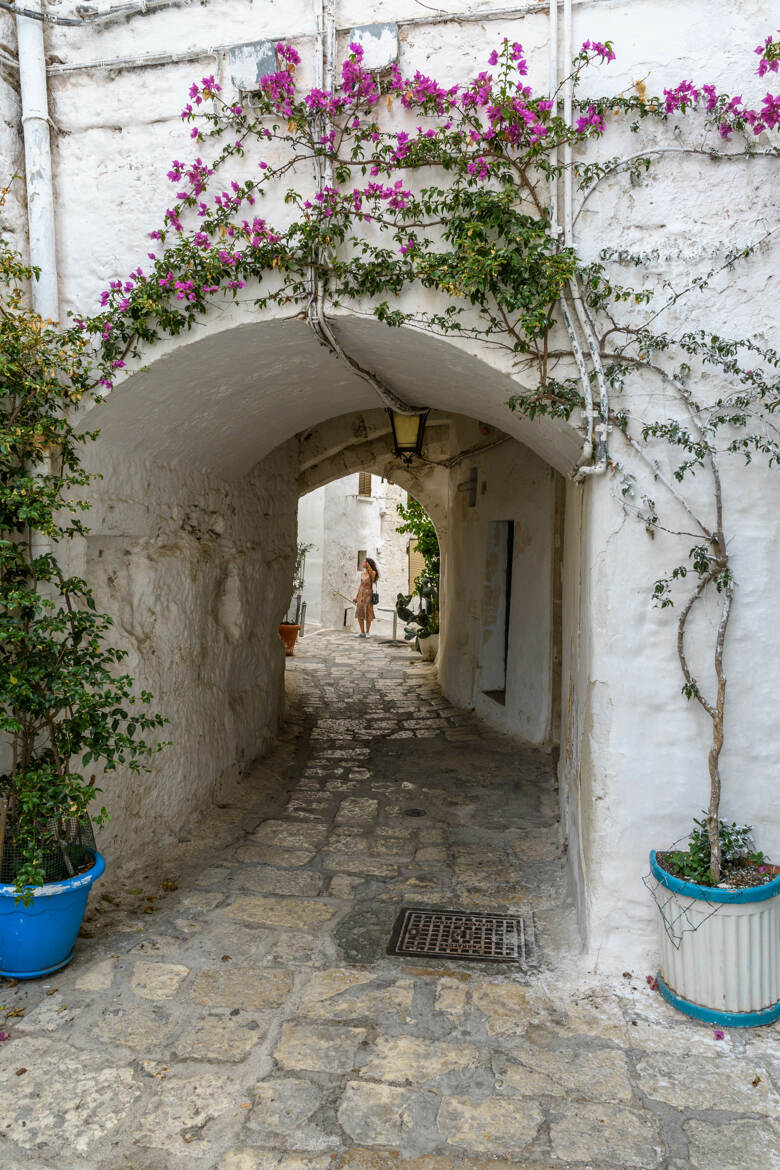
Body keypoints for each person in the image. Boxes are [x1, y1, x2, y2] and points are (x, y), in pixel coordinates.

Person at [354, 557, 379, 638]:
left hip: (368, 595)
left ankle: (367, 632)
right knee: (359, 613)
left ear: (368, 564)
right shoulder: (362, 573)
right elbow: (360, 586)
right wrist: (356, 597)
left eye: (364, 562)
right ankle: (362, 632)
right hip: (361, 595)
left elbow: (373, 576)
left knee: (368, 614)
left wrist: (369, 567)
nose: (362, 563)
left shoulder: (373, 573)